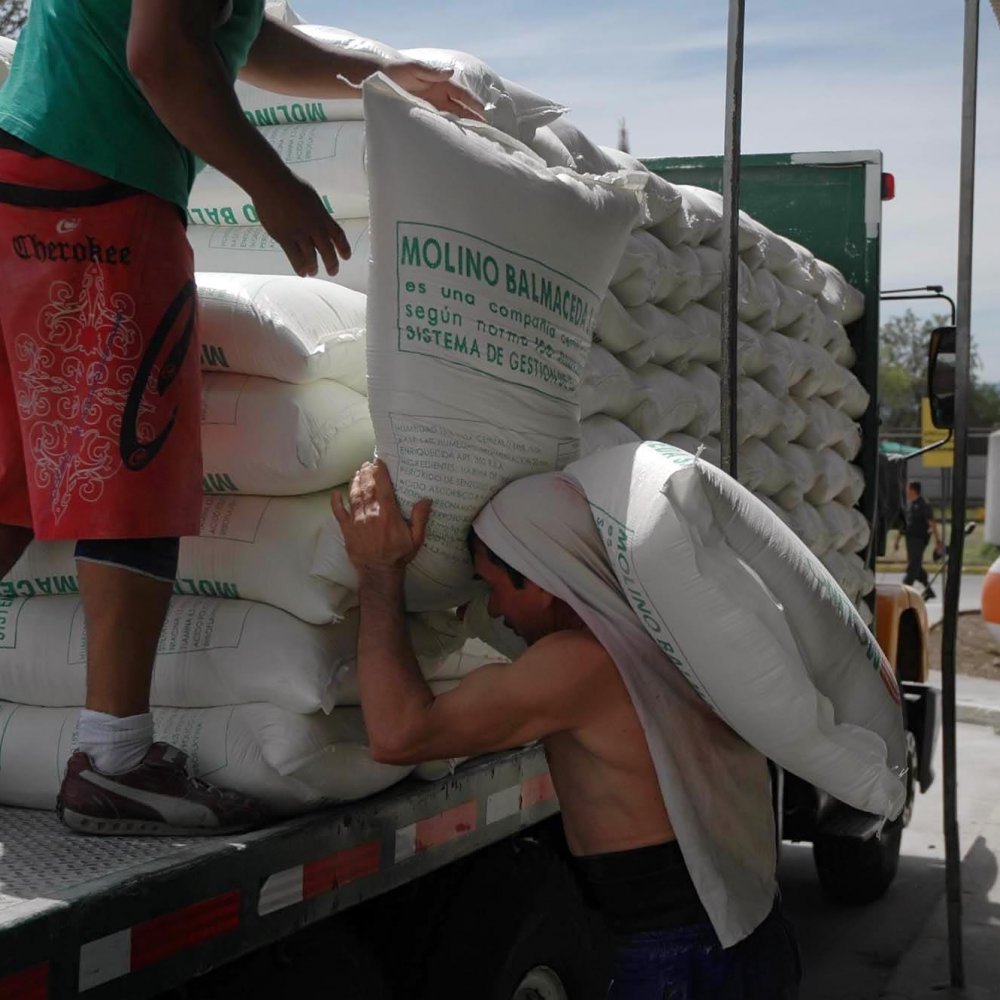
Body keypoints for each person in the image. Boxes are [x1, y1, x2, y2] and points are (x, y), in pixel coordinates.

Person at [0, 0, 483, 837]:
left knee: (8, 482)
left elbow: (239, 33)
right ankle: (113, 759)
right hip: (104, 193)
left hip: (25, 183)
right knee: (132, 463)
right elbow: (163, 53)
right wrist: (275, 187)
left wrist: (376, 76)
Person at [332, 460, 801, 999]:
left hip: (684, 958)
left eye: (493, 586)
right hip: (750, 933)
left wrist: (379, 571)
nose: (491, 607)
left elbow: (398, 735)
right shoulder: (663, 629)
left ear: (541, 581)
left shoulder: (578, 665)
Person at [894, 480, 942, 600]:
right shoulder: (910, 505)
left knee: (913, 568)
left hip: (919, 540)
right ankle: (929, 591)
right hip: (910, 540)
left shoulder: (923, 505)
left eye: (908, 489)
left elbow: (931, 523)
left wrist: (938, 541)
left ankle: (903, 592)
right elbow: (906, 525)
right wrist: (897, 540)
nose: (906, 491)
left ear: (913, 490)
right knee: (916, 567)